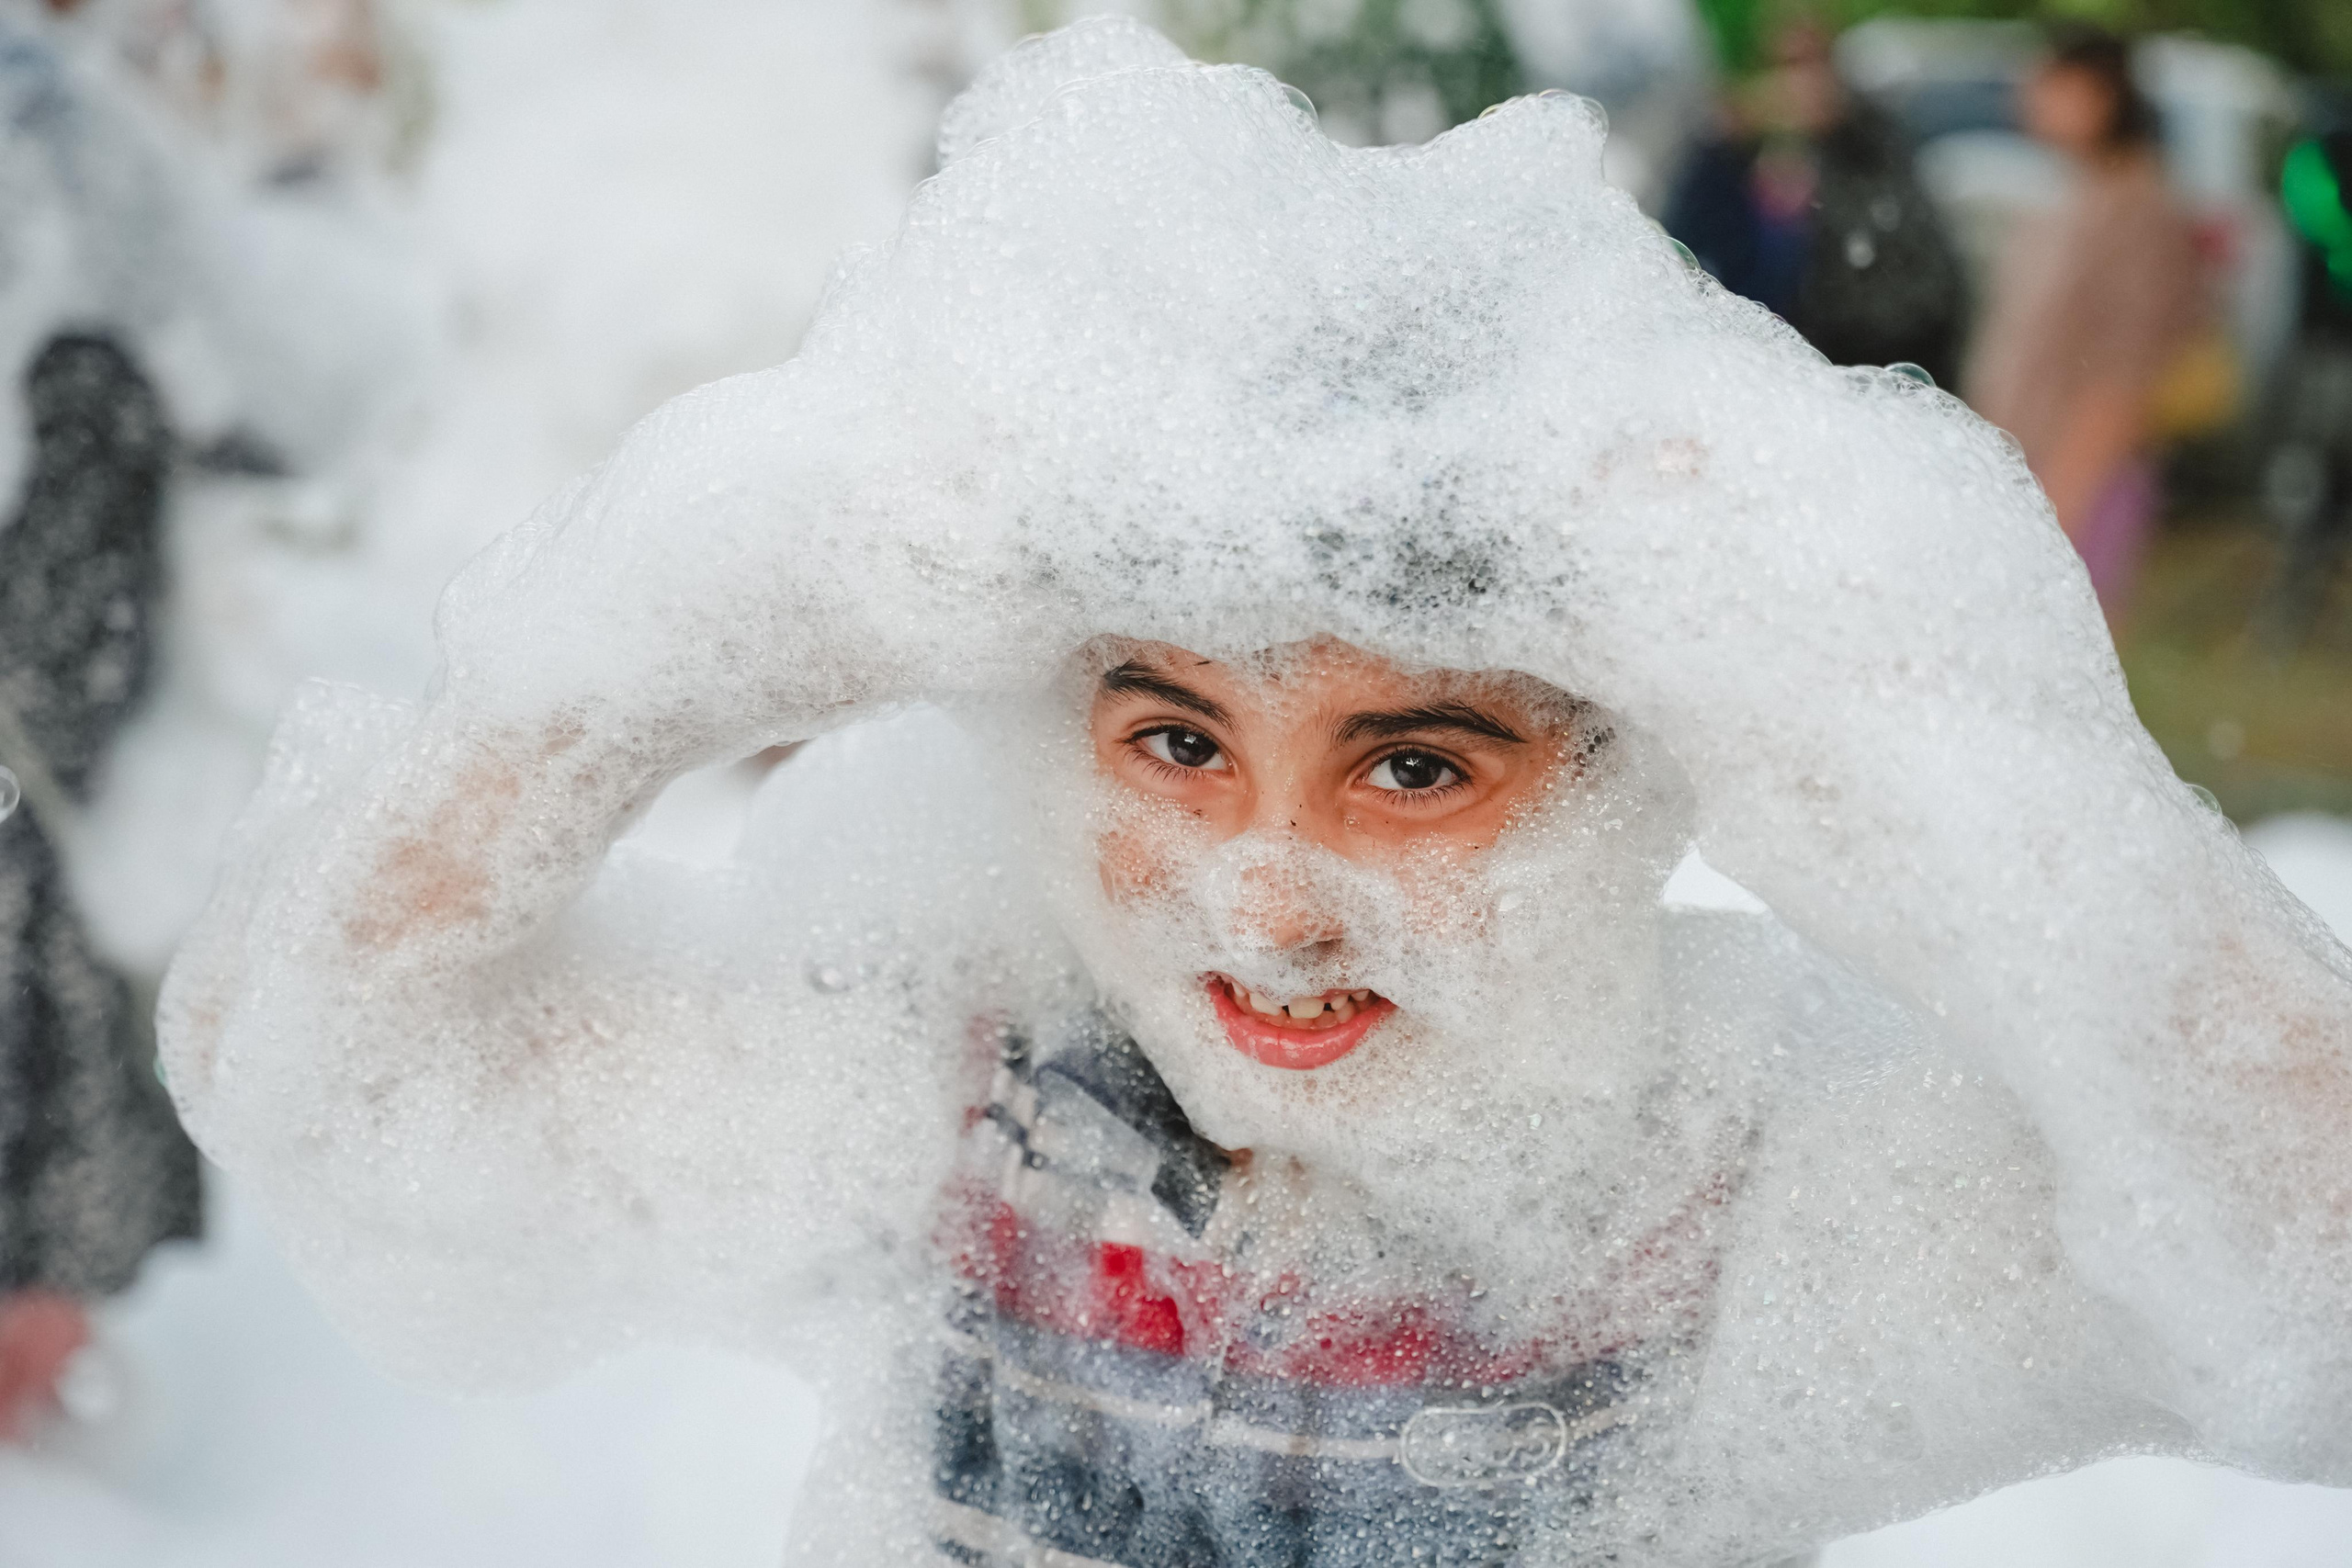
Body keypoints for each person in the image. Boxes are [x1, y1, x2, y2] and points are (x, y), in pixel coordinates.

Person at [159, 21, 2352, 1566]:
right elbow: (324, 1059)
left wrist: (1924, 751)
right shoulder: (945, 1120)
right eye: (1174, 739)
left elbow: (2304, 1268)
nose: (1262, 897)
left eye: (1413, 763)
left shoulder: (1727, 1212)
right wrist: (660, 629)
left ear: (1628, 761)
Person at [1966, 24, 2208, 626]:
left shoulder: (2142, 208)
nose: (2028, 97)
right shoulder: (2078, 194)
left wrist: (2063, 500)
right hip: (2025, 473)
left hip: (2077, 481)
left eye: (2048, 83)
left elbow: (2127, 373)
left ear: (2100, 95)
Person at [1663, 17, 1967, 389]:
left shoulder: (1869, 152)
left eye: (1809, 69)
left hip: (1853, 364)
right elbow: (1680, 247)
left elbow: (1912, 281)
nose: (1795, 90)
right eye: (1781, 71)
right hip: (1754, 363)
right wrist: (1719, 144)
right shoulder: (1729, 157)